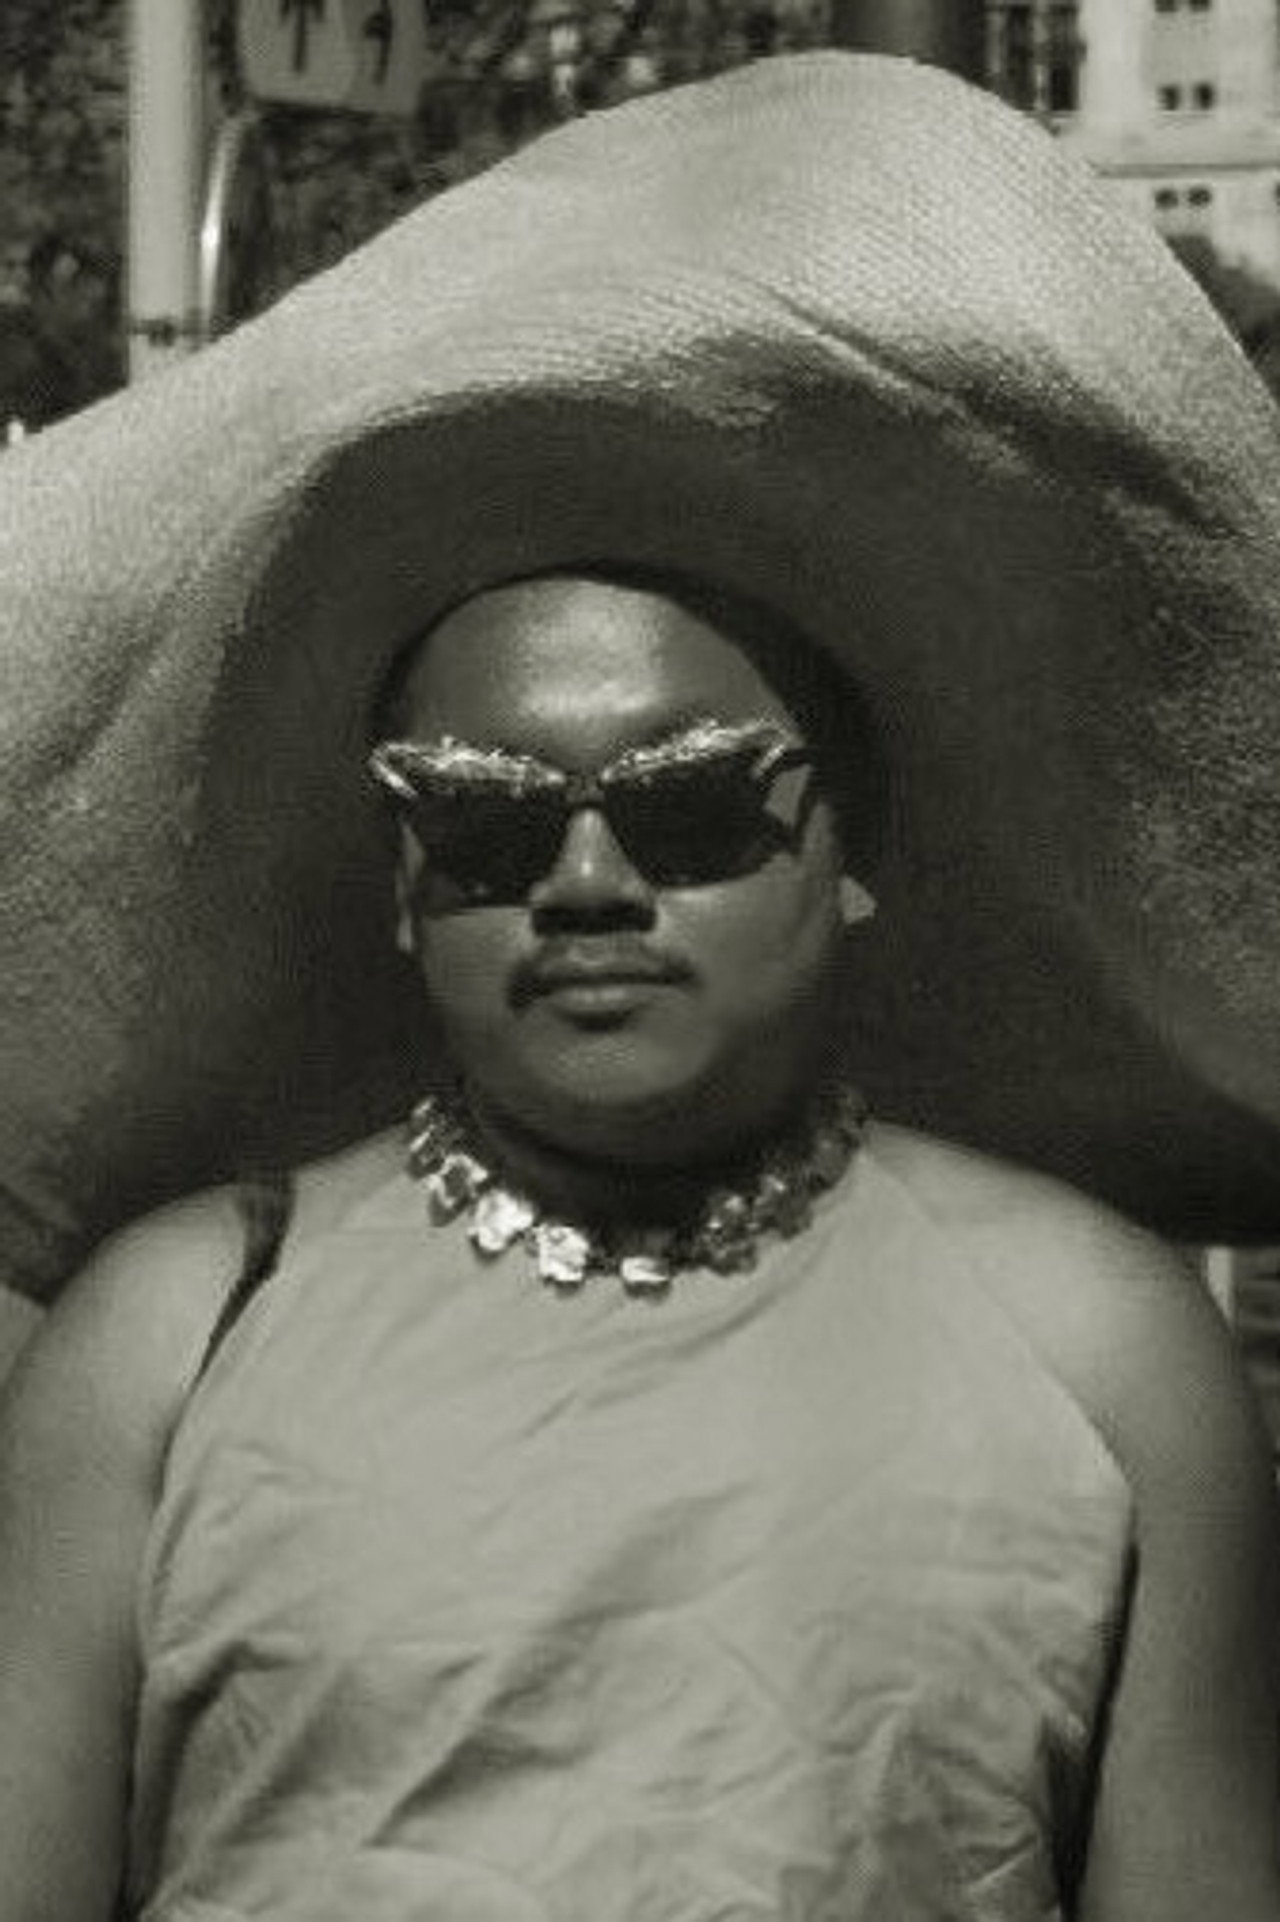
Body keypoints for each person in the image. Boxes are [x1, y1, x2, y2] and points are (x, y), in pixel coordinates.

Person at [0, 49, 1279, 1922]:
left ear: (854, 848)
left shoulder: (1103, 1345)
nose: (587, 884)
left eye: (687, 806)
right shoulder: (177, 1332)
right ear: (401, 881)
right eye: (488, 819)